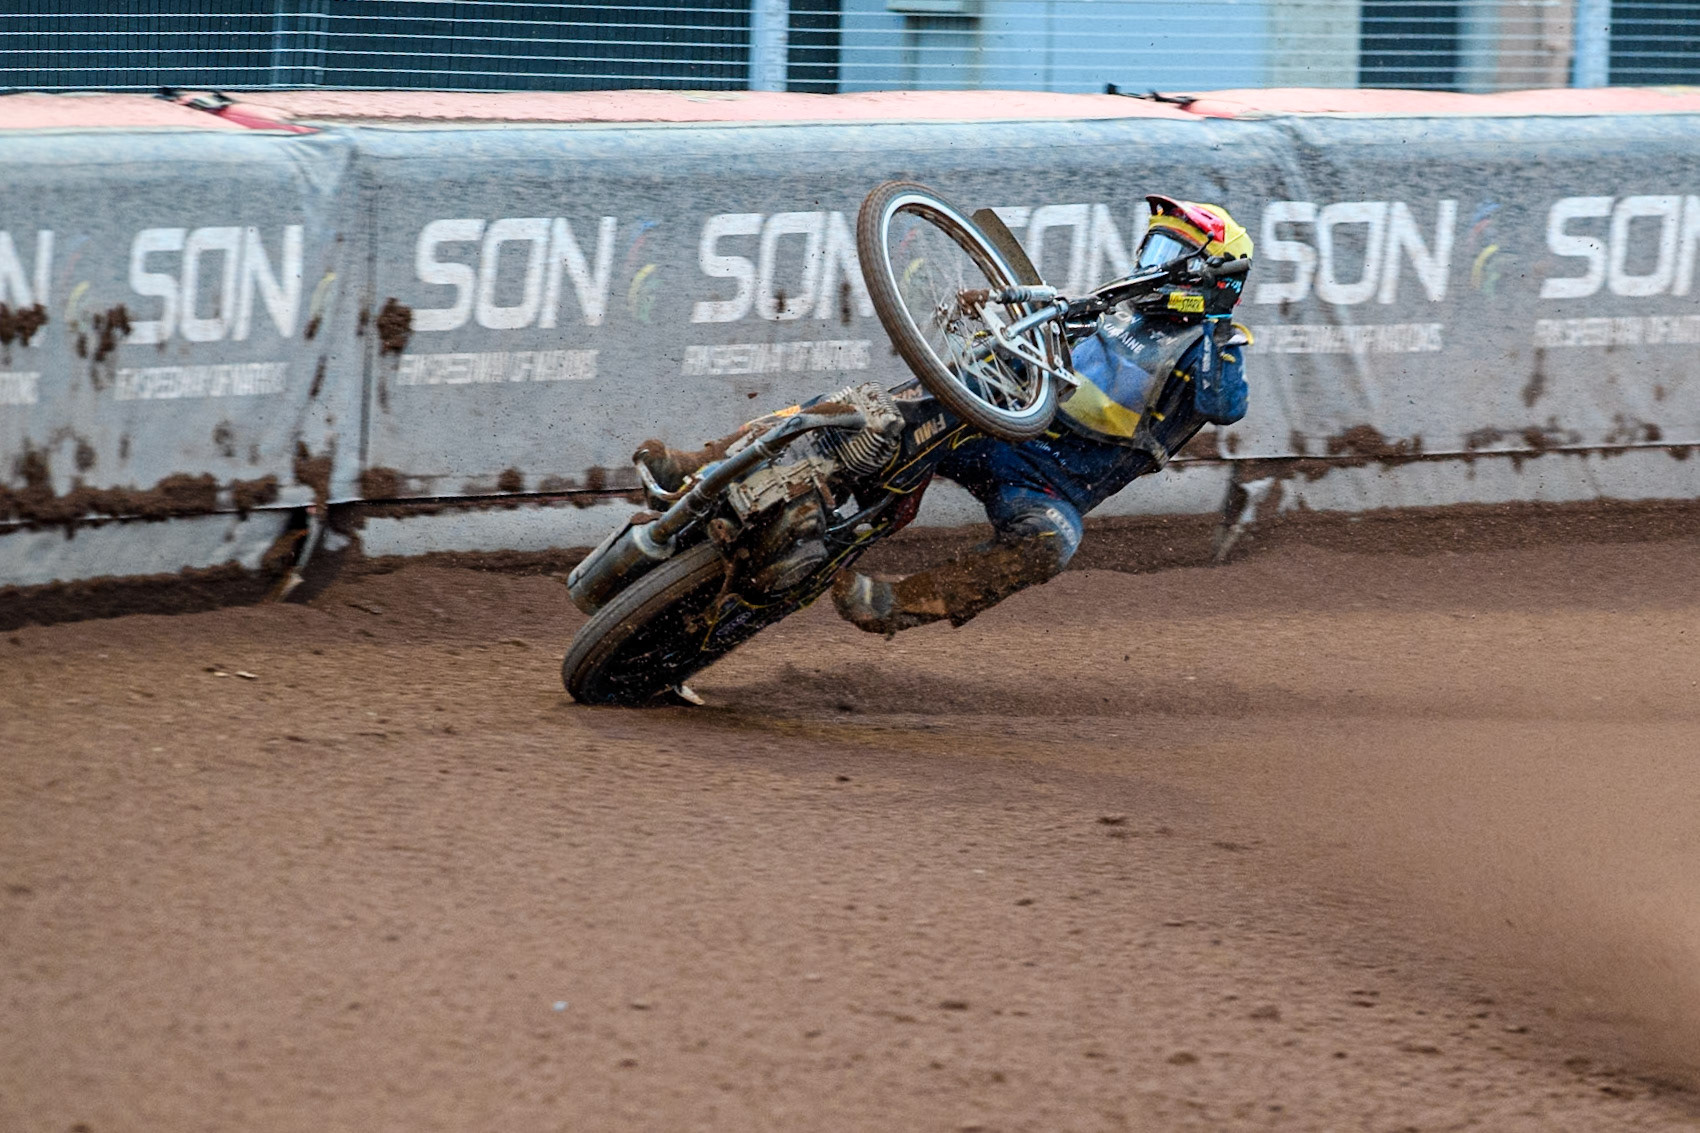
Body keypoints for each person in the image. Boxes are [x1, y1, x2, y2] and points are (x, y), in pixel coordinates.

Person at [637, 195, 1254, 635]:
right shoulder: (1112, 310)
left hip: (1048, 484)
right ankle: (701, 462)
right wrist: (993, 303)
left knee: (1051, 543)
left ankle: (896, 604)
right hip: (989, 424)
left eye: (1170, 249)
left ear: (1206, 272)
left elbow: (1226, 407)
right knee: (865, 411)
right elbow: (1040, 334)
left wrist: (1219, 332)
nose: (1152, 259)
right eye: (1154, 243)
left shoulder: (1211, 347)